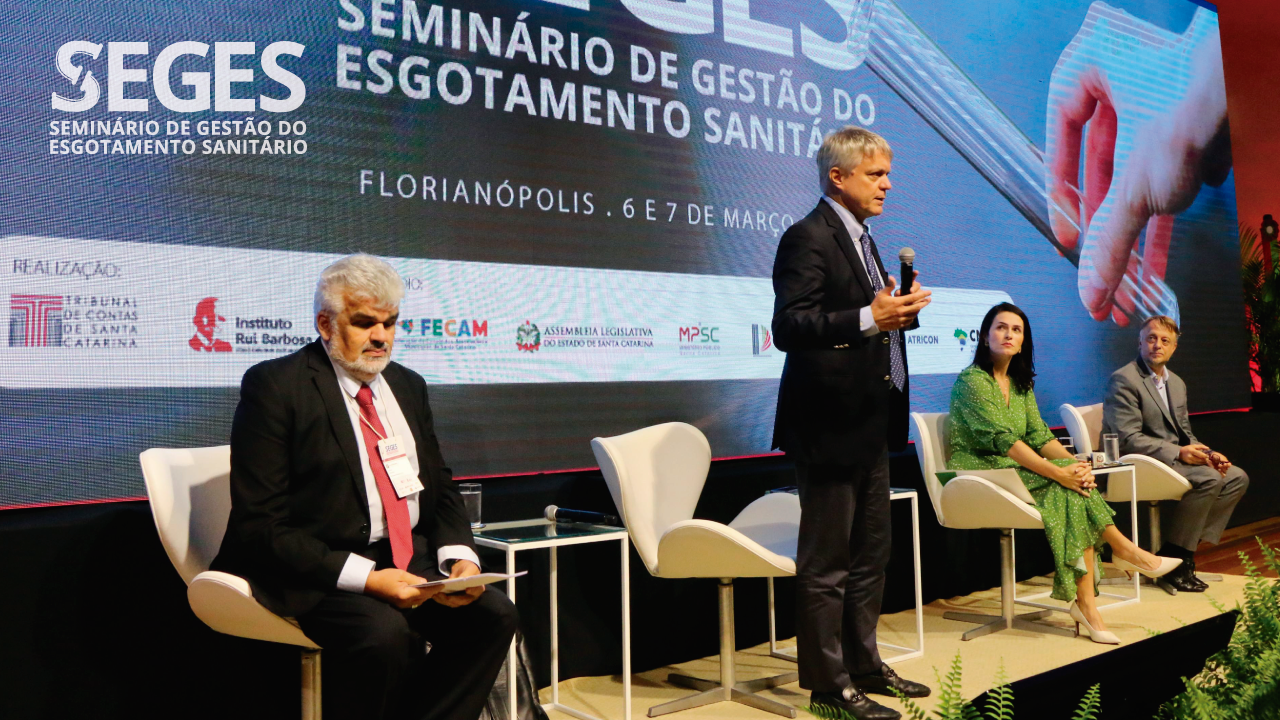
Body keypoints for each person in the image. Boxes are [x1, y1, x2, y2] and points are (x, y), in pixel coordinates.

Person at [211, 254, 518, 720]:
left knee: (494, 617)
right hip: (319, 570)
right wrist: (369, 579)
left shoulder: (407, 386)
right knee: (383, 635)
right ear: (326, 323)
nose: (381, 337)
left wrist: (459, 557)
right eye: (364, 322)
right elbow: (261, 527)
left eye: (390, 323)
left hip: (405, 560)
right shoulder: (277, 386)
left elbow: (440, 485)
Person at [772, 126, 932, 720]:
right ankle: (826, 685)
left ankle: (864, 664)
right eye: (876, 174)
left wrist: (895, 315)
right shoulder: (808, 237)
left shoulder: (864, 240)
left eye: (887, 173)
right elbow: (790, 327)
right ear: (838, 177)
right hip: (828, 425)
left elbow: (866, 323)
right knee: (828, 564)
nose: (888, 184)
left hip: (870, 422)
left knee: (871, 556)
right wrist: (870, 315)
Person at [948, 303, 1181, 644]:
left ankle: (1089, 600)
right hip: (979, 469)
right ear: (985, 336)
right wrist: (1060, 473)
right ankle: (1121, 554)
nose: (1009, 334)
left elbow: (1040, 437)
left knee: (1071, 486)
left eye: (1016, 330)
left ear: (1023, 340)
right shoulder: (973, 381)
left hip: (1014, 467)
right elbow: (1007, 442)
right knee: (1064, 483)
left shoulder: (1018, 383)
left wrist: (1076, 465)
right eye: (1001, 328)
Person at [1102, 315, 1249, 592]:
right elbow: (1128, 438)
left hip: (1171, 459)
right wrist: (1179, 452)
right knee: (1209, 480)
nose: (1157, 345)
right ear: (1140, 342)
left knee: (1236, 477)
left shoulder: (1177, 383)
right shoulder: (1124, 379)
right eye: (1151, 338)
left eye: (1165, 340)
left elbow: (1186, 434)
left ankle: (1175, 554)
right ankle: (1179, 561)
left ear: (1173, 348)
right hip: (1134, 462)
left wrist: (1210, 453)